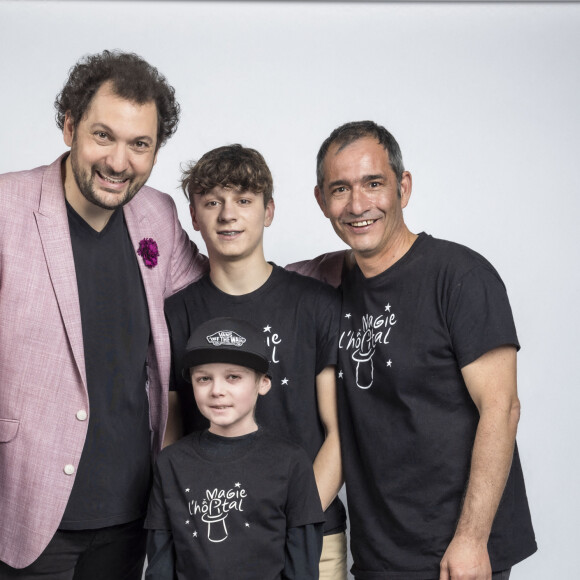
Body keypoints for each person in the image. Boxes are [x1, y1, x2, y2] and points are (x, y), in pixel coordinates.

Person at [288, 121, 537, 579]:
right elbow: (245, 280)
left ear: (403, 186)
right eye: (340, 189)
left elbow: (501, 408)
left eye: (374, 183)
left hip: (456, 550)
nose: (358, 204)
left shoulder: (460, 276)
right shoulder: (325, 283)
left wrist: (471, 539)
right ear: (321, 201)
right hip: (378, 554)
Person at [0, 50, 207, 577]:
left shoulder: (156, 213)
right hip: (24, 510)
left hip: (130, 512)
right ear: (69, 126)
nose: (120, 162)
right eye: (103, 136)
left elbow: (221, 286)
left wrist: (333, 272)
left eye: (140, 144)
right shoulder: (6, 207)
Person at [164, 144, 348, 578]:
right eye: (213, 202)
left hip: (310, 535)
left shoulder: (317, 304)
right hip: (211, 540)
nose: (228, 215)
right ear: (194, 216)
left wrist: (289, 520)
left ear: (268, 211)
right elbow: (172, 433)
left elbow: (339, 433)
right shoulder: (177, 313)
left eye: (244, 200)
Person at [145, 317, 325, 579]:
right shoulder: (171, 463)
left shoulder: (291, 462)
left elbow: (303, 566)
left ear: (262, 382)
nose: (217, 390)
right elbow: (160, 563)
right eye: (204, 378)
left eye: (233, 377)